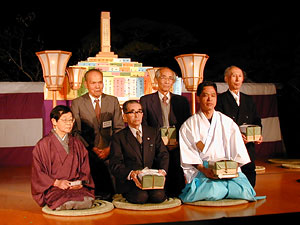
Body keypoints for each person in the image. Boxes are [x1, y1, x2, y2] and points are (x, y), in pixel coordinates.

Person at [179, 81, 265, 203]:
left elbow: (237, 149)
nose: (209, 99)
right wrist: (205, 170)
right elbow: (189, 155)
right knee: (213, 192)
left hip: (227, 168)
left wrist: (231, 168)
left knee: (244, 191)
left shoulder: (227, 122)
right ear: (198, 98)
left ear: (216, 98)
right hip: (204, 170)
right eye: (205, 95)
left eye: (213, 95)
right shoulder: (189, 125)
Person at [71, 69, 125, 200]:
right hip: (88, 150)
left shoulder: (112, 101)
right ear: (86, 84)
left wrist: (109, 148)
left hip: (110, 148)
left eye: (100, 82)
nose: (97, 86)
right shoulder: (77, 103)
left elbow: (119, 128)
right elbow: (75, 131)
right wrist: (91, 148)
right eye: (93, 83)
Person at [31, 105, 95, 210]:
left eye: (71, 120)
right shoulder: (43, 145)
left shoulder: (77, 143)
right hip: (54, 187)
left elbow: (85, 168)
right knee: (63, 201)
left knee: (87, 200)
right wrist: (57, 182)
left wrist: (80, 183)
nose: (69, 123)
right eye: (65, 120)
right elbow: (38, 172)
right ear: (54, 121)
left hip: (75, 186)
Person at [140, 67, 191, 197]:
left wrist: (179, 142)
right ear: (157, 79)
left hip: (177, 146)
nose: (167, 81)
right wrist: (157, 143)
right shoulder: (146, 100)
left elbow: (187, 125)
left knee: (177, 180)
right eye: (163, 77)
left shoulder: (181, 101)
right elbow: (144, 125)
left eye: (170, 78)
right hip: (156, 147)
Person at [109, 100, 169, 204]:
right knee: (141, 197)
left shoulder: (153, 132)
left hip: (152, 178)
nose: (136, 115)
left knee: (158, 196)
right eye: (132, 112)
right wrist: (131, 174)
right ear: (125, 116)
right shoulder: (119, 137)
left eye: (139, 111)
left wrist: (162, 171)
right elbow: (115, 164)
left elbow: (163, 154)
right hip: (131, 180)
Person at [215, 66, 263, 187]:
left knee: (249, 171)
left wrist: (258, 135)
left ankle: (249, 193)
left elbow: (256, 120)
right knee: (230, 172)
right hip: (228, 144)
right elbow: (218, 123)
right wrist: (237, 137)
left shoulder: (249, 99)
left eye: (240, 76)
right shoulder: (220, 99)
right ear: (226, 79)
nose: (237, 79)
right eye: (233, 76)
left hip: (248, 144)